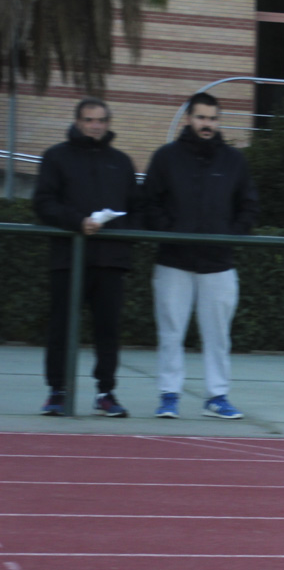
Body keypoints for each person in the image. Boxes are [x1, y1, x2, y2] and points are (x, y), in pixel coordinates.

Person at [144, 92, 259, 420]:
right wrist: (172, 233)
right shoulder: (165, 158)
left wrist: (229, 237)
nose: (207, 124)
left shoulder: (235, 161)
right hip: (173, 262)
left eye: (212, 118)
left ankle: (218, 396)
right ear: (188, 119)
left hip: (218, 263)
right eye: (201, 117)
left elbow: (249, 207)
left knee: (219, 335)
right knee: (170, 332)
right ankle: (169, 395)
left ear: (218, 121)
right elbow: (149, 203)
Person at [33, 97, 142, 417]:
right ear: (78, 122)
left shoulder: (121, 161)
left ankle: (106, 392)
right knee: (61, 328)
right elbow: (43, 203)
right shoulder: (55, 158)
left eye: (101, 120)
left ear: (108, 123)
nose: (95, 126)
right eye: (89, 120)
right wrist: (77, 222)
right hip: (69, 258)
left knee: (108, 329)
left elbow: (137, 208)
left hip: (111, 261)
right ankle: (57, 392)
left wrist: (122, 231)